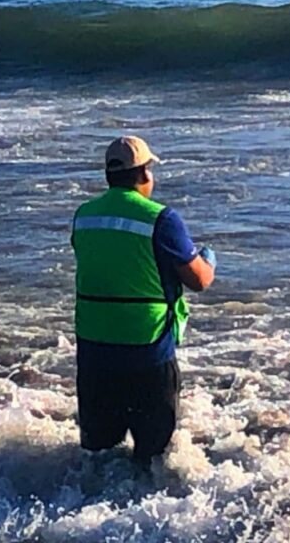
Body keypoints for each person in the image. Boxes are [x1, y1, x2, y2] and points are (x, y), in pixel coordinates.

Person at [70, 135, 216, 464]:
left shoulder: (84, 216)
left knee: (98, 459)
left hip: (94, 352)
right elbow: (200, 280)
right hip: (147, 351)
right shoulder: (161, 219)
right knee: (154, 459)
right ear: (144, 173)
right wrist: (209, 258)